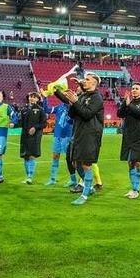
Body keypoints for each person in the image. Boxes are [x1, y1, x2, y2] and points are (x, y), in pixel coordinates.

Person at [56, 73, 104, 205]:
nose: (84, 81)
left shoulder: (97, 97)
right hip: (78, 133)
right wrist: (72, 102)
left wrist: (76, 101)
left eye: (87, 79)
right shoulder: (83, 96)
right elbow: (72, 115)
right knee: (75, 163)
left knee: (86, 165)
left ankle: (84, 195)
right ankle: (89, 188)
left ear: (94, 84)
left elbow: (87, 114)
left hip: (90, 135)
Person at [117, 82, 140, 199]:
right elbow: (119, 114)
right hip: (128, 136)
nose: (134, 90)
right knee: (130, 163)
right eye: (133, 88)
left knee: (138, 162)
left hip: (139, 137)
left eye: (137, 89)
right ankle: (133, 188)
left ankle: (137, 189)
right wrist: (124, 103)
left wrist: (129, 104)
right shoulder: (128, 103)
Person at [41, 90, 74, 186]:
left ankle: (73, 179)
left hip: (68, 135)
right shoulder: (59, 107)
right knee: (55, 156)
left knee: (70, 159)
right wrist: (45, 97)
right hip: (57, 135)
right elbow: (47, 110)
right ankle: (52, 179)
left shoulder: (73, 108)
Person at [18, 92, 47, 184]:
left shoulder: (40, 110)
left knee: (31, 156)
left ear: (37, 99)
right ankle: (27, 176)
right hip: (24, 135)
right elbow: (20, 122)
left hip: (35, 136)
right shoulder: (24, 109)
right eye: (31, 97)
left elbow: (44, 123)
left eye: (34, 97)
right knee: (25, 156)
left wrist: (35, 128)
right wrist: (13, 123)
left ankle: (30, 176)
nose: (32, 98)